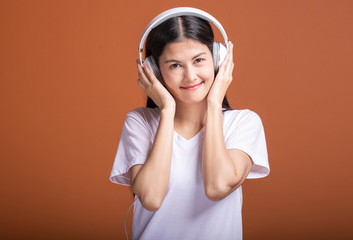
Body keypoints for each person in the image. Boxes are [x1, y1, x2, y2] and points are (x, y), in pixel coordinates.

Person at [110, 8, 270, 240]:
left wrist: (214, 104)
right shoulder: (140, 122)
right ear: (154, 71)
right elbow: (151, 198)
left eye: (199, 60)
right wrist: (166, 110)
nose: (190, 76)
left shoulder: (243, 123)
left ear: (218, 59)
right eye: (175, 65)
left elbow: (217, 187)